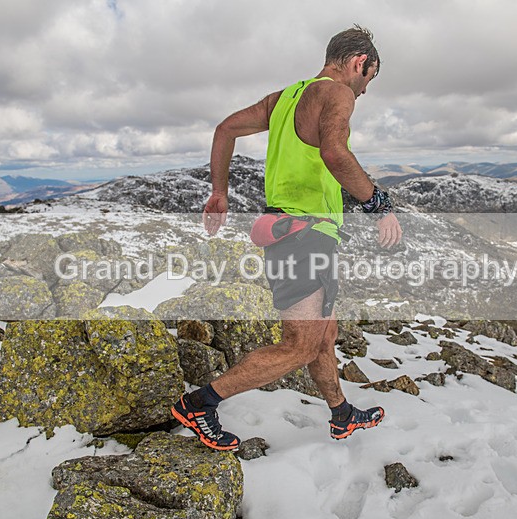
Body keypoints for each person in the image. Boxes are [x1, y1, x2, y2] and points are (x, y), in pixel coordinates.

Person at [172, 25, 403, 450]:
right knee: (300, 345)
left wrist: (219, 191)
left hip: (292, 234)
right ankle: (199, 404)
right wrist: (378, 205)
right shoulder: (338, 93)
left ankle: (341, 414)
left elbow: (225, 129)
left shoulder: (284, 99)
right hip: (305, 237)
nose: (365, 91)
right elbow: (335, 152)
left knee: (324, 336)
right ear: (358, 63)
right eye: (369, 78)